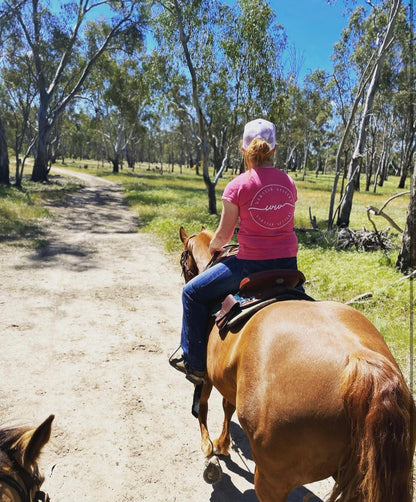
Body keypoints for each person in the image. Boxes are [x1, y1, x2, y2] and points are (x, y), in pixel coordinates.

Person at [170, 118, 299, 385]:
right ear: (274, 150)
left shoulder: (238, 185)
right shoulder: (289, 182)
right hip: (289, 264)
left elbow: (225, 234)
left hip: (250, 265)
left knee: (191, 293)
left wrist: (215, 246)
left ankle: (193, 363)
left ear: (244, 150)